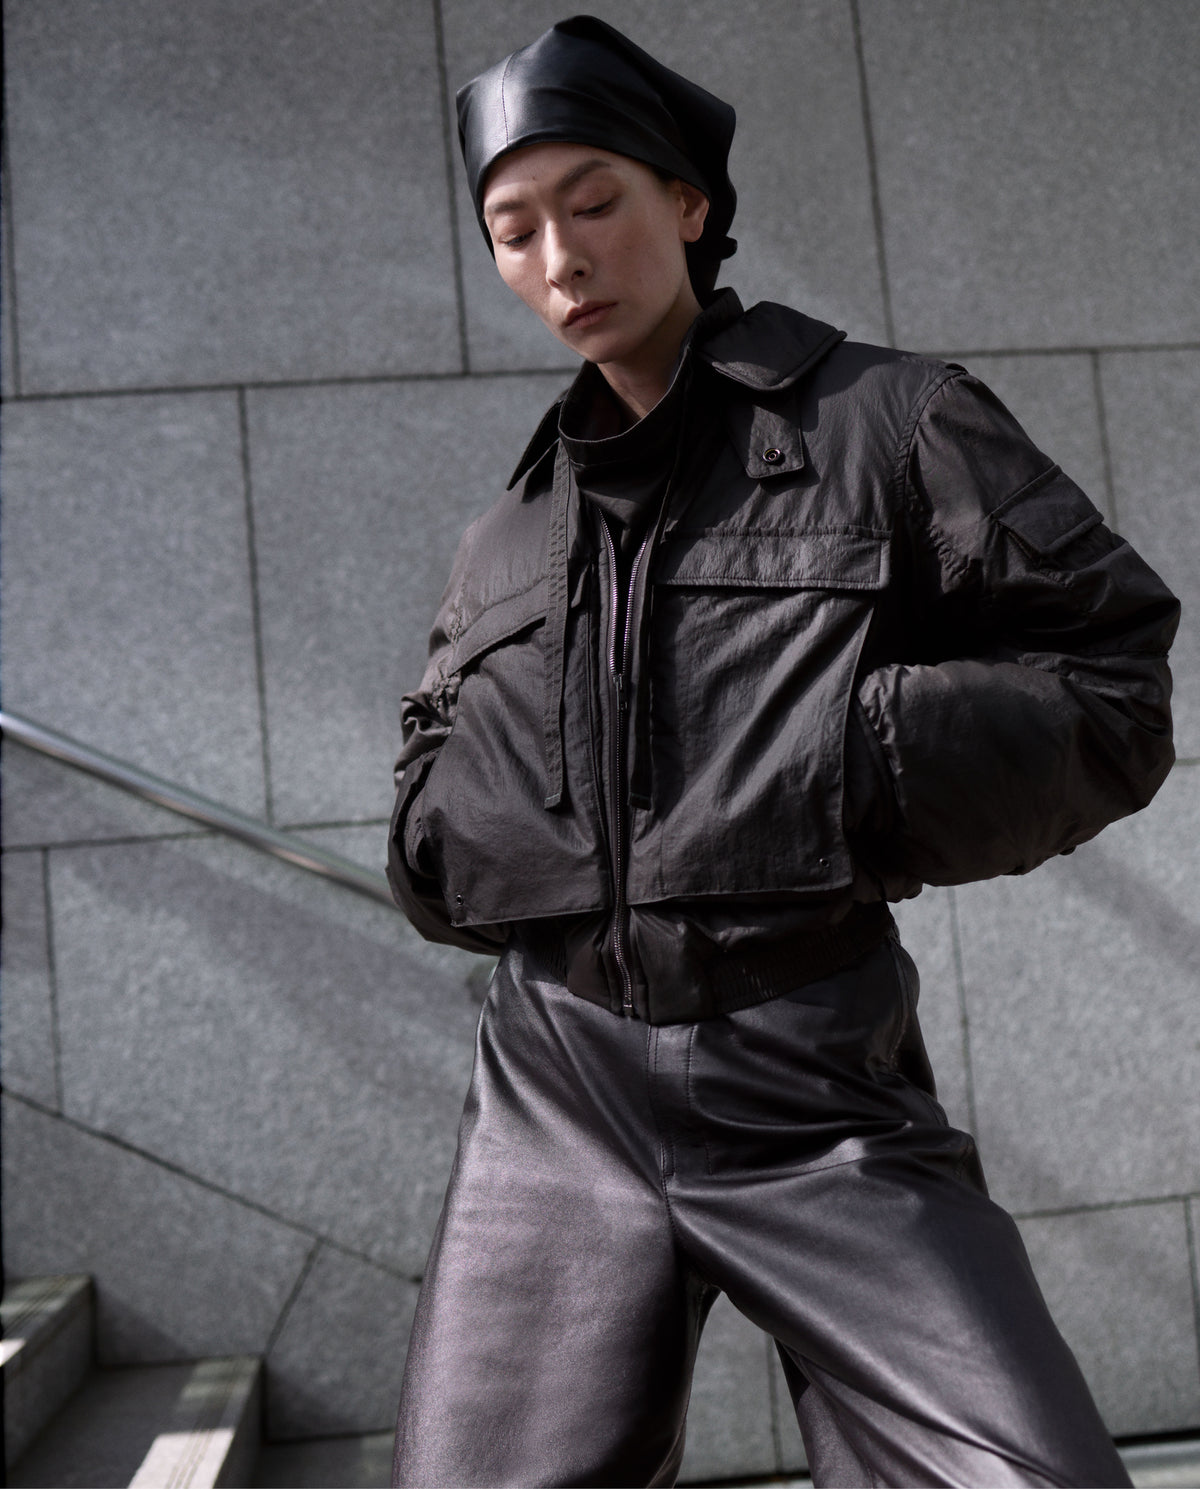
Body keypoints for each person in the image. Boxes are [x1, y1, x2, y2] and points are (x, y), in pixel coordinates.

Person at [386, 16, 1179, 1487]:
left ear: (689, 202)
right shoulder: (505, 537)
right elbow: (426, 811)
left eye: (595, 201)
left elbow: (1112, 681)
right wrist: (465, 834)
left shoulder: (890, 423)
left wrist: (848, 764)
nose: (560, 257)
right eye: (514, 230)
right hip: (554, 1093)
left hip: (809, 1077)